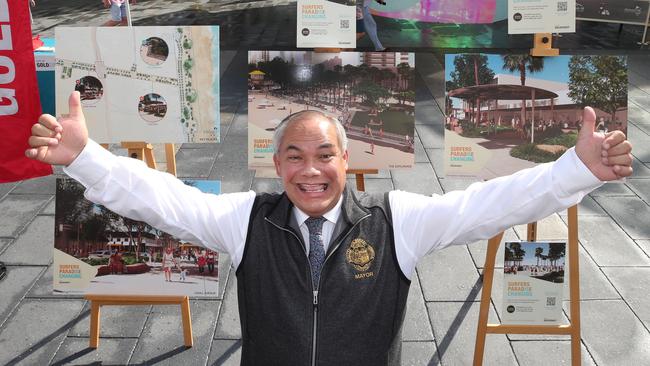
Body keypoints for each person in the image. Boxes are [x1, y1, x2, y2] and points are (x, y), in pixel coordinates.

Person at [26, 92, 632, 365]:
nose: (310, 171)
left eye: (324, 155)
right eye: (294, 155)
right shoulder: (248, 222)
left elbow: (489, 204)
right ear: (276, 163)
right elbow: (162, 199)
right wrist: (86, 158)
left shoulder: (400, 222)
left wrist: (574, 168)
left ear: (348, 161)